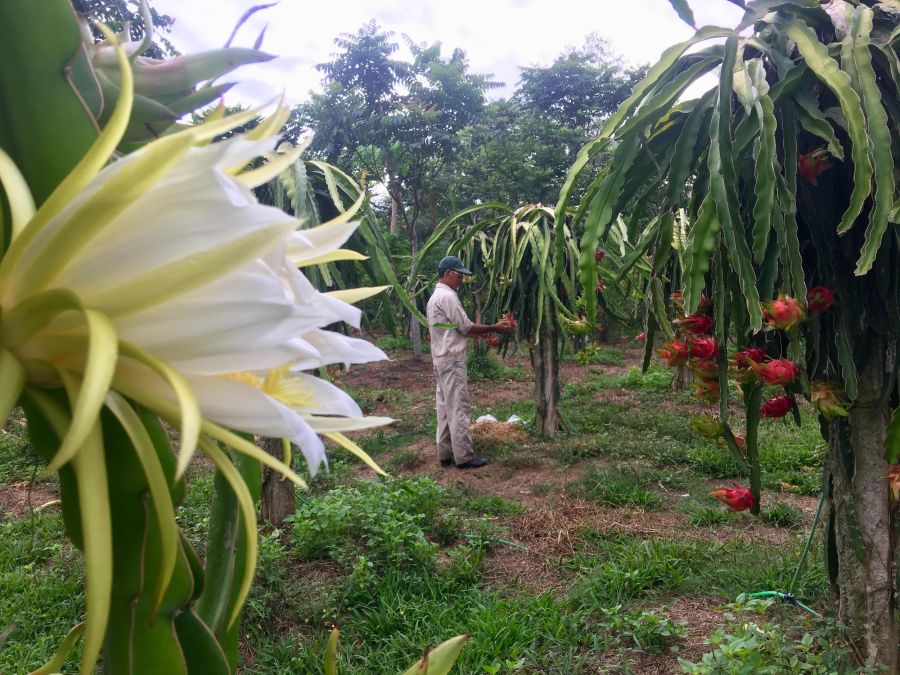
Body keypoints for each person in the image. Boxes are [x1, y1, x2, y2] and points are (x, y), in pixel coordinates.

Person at [426, 255, 514, 469]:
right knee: (459, 406)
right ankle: (464, 456)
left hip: (440, 359)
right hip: (452, 360)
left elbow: (455, 329)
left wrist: (483, 335)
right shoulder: (449, 296)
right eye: (459, 275)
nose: (461, 280)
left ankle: (445, 454)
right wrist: (495, 327)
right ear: (448, 274)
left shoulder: (434, 297)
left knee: (444, 407)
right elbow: (465, 327)